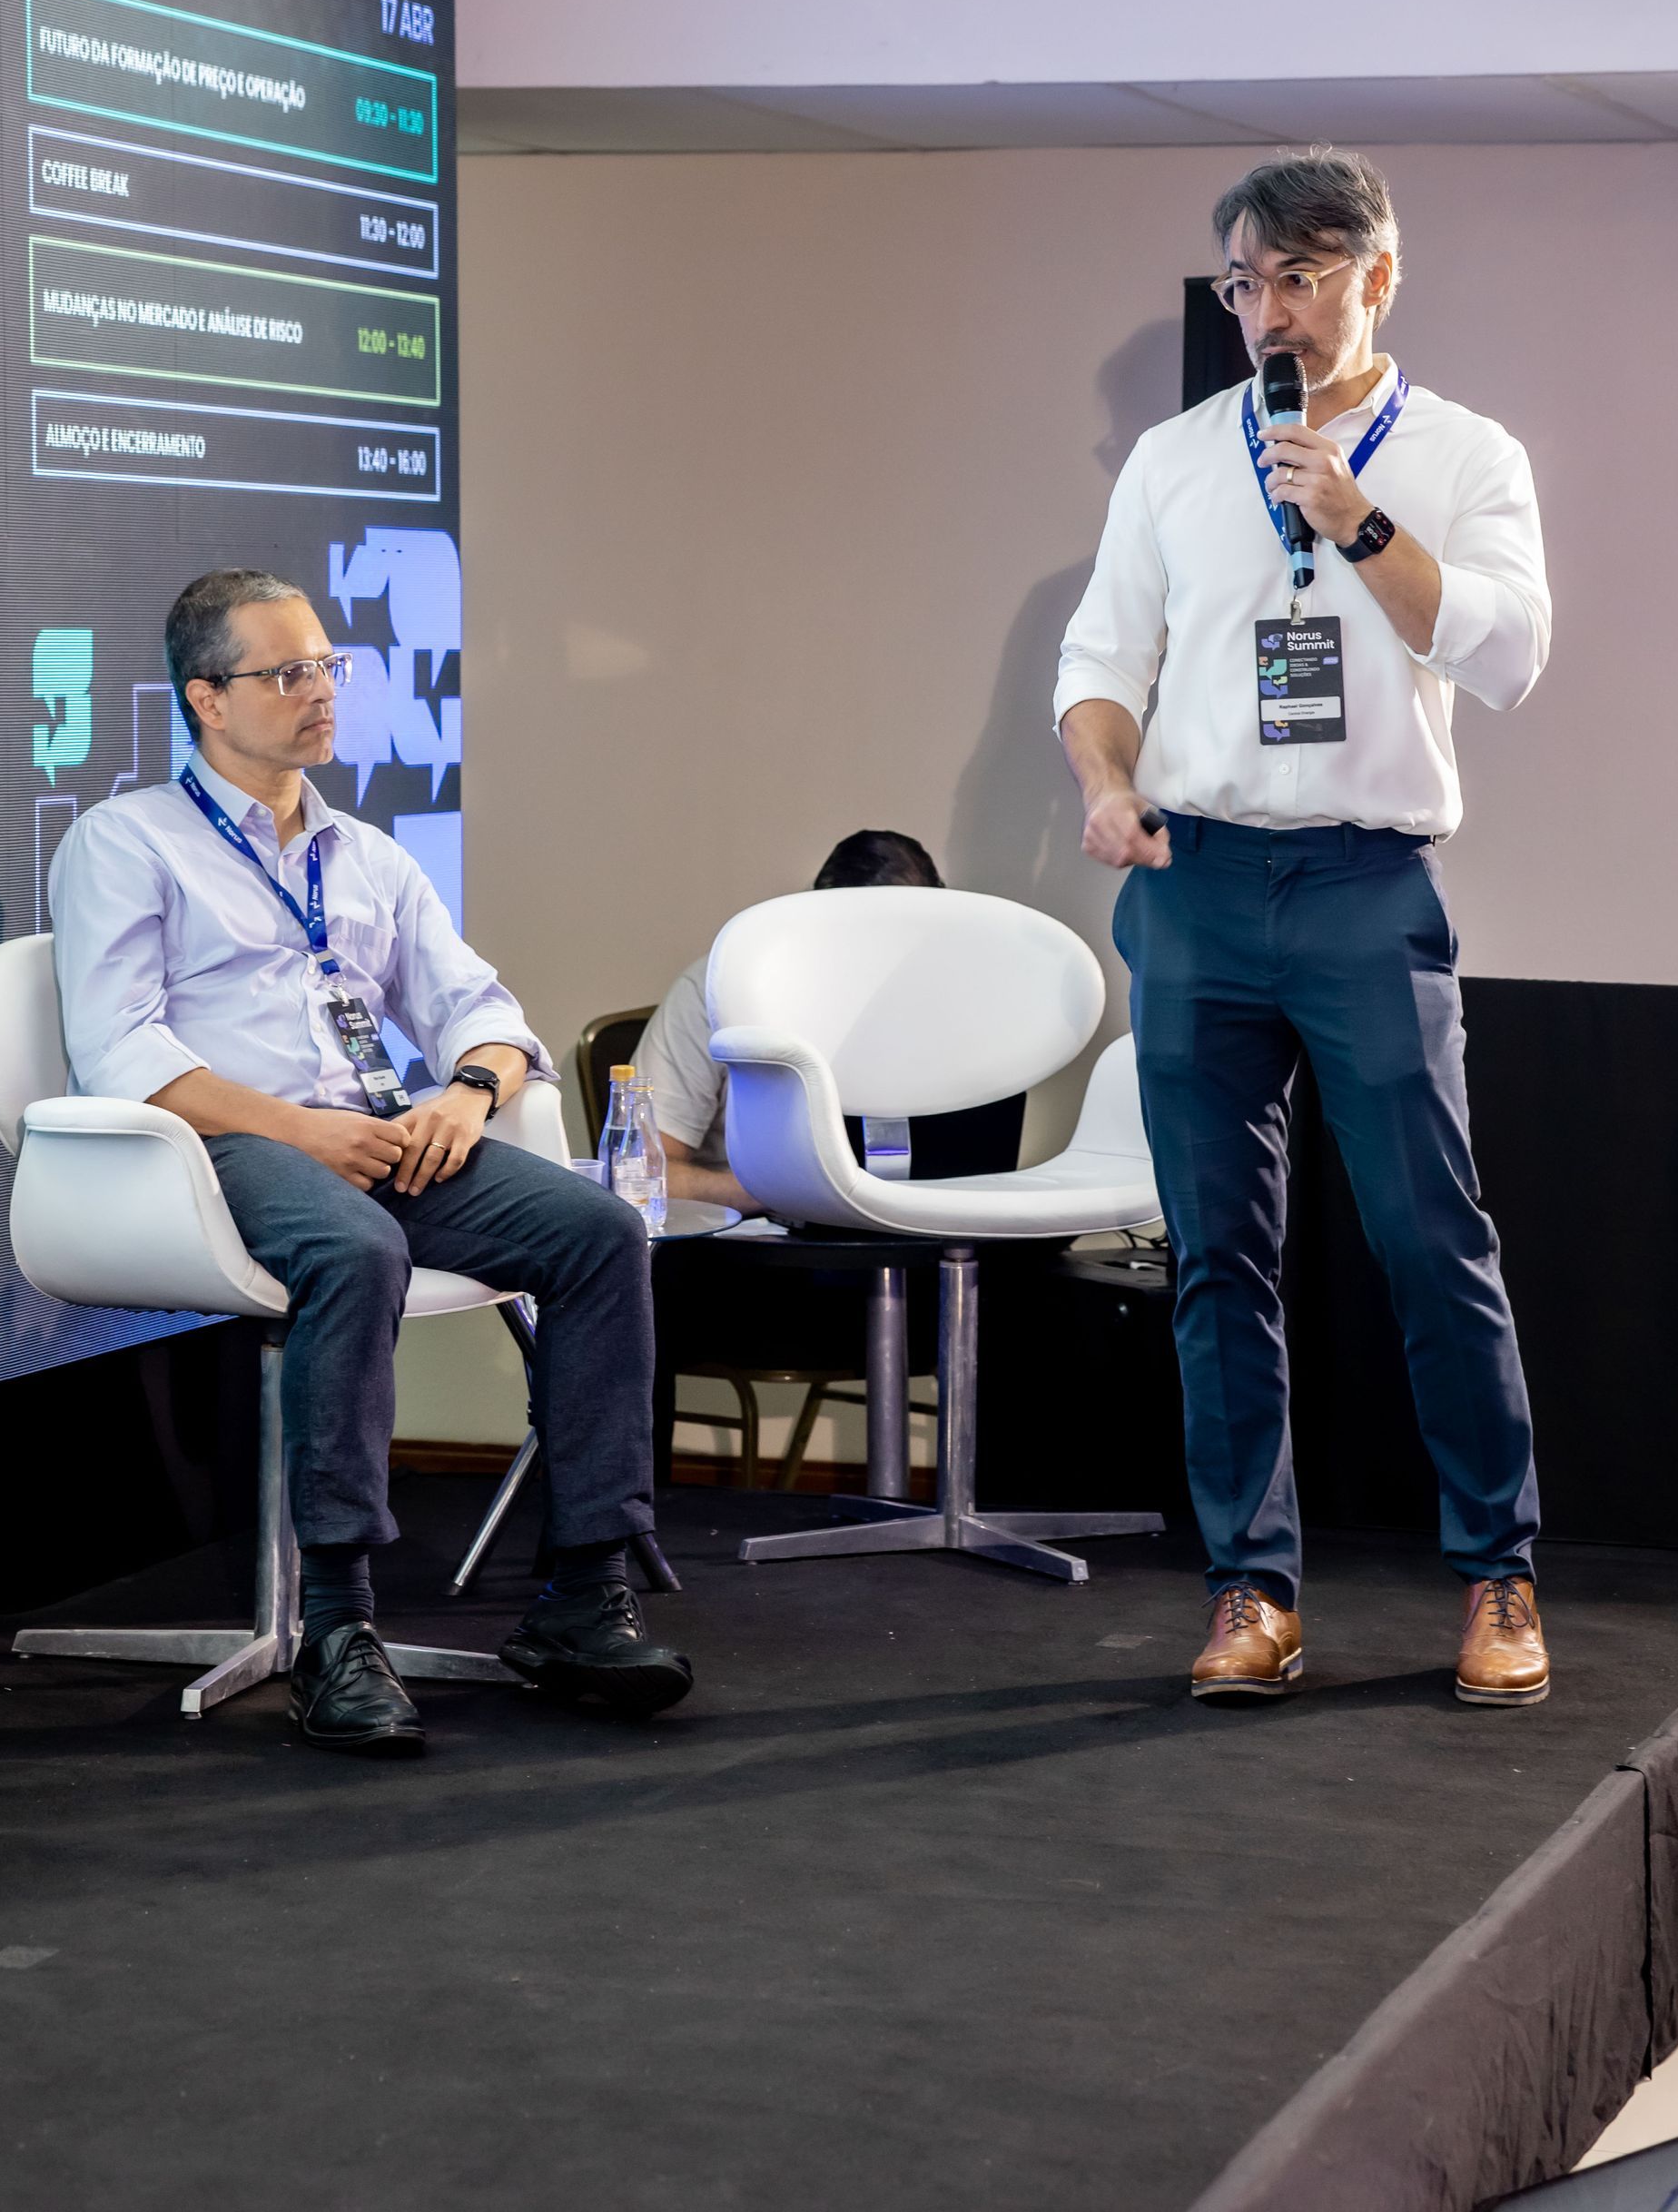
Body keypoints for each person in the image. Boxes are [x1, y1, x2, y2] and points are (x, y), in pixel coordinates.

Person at [1056, 149, 1551, 1709]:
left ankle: (1499, 1575)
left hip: (1364, 886)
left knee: (1428, 1239)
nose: (1269, 314)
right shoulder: (1173, 459)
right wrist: (1106, 784)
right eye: (1245, 286)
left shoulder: (1464, 454)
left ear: (1376, 278)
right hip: (1194, 884)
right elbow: (1099, 661)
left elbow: (1508, 657)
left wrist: (1358, 521)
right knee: (1217, 1258)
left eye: (1300, 280)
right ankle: (1250, 1592)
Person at [50, 568, 694, 1756]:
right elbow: (120, 1053)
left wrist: (468, 1091)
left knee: (599, 1231)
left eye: (329, 667)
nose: (322, 692)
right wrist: (305, 1132)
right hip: (216, 1152)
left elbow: (483, 1013)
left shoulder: (366, 856)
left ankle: (583, 1592)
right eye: (287, 673)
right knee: (356, 1249)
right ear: (206, 698)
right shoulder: (127, 842)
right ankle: (339, 1628)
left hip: (376, 1132)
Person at [639, 829, 943, 1214]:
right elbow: (644, 1174)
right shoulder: (718, 987)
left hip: (931, 1218)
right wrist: (783, 1192)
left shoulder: (955, 997)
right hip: (760, 1229)